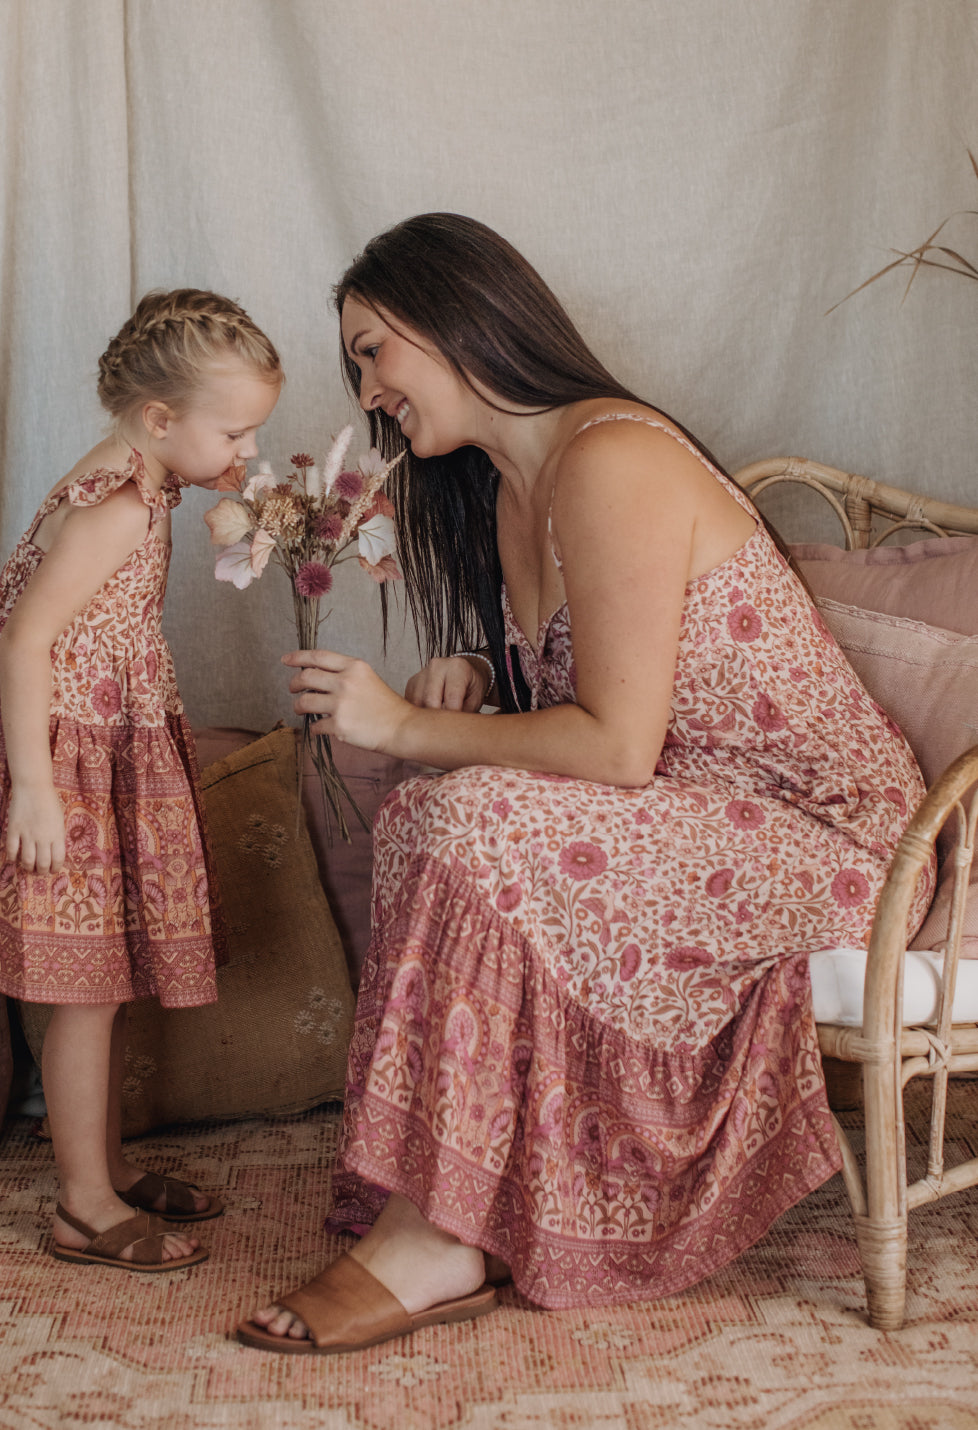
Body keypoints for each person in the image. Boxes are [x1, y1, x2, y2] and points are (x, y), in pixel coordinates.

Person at [237, 214, 932, 1352]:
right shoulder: (508, 492)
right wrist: (474, 683)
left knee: (459, 810)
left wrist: (409, 723)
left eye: (375, 349)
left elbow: (616, 748)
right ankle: (461, 1201)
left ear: (454, 314)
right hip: (702, 812)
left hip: (840, 847)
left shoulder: (612, 457)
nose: (368, 389)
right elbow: (621, 713)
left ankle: (437, 1239)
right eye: (356, 362)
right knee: (429, 811)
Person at [0, 289, 282, 1272]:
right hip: (63, 754)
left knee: (103, 976)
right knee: (86, 989)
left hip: (103, 739)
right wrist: (33, 787)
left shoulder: (140, 474)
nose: (243, 451)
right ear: (159, 420)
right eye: (233, 431)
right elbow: (27, 644)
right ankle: (84, 1206)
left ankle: (102, 1163)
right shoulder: (117, 506)